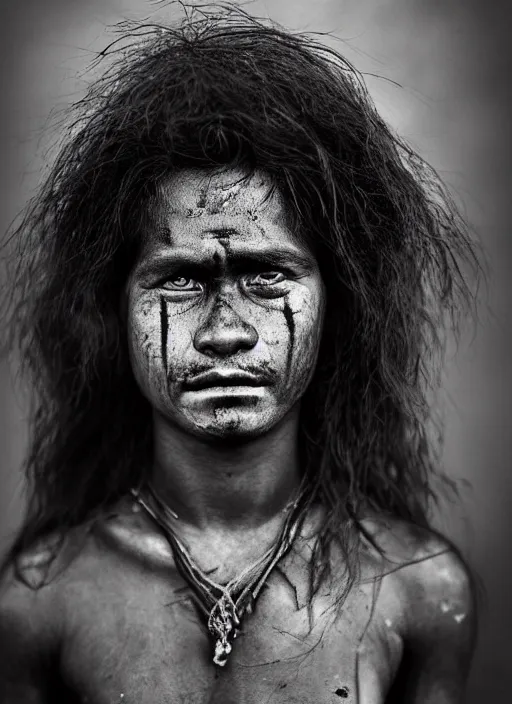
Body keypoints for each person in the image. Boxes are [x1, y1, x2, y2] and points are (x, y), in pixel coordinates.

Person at [0, 4, 481, 702]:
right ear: (110, 309)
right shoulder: (41, 602)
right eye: (181, 280)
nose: (226, 331)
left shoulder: (419, 592)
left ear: (338, 302)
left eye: (267, 277)